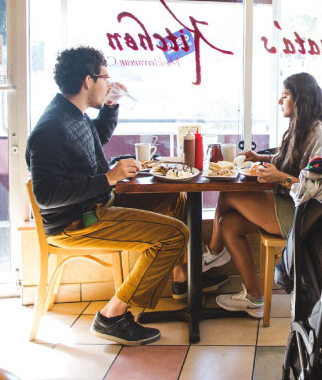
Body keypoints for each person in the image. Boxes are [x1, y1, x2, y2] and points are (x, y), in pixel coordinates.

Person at [26, 46, 226, 346]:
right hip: (78, 221)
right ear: (87, 81)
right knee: (174, 235)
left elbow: (95, 138)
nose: (109, 82)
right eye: (105, 78)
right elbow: (46, 194)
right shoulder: (51, 128)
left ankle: (183, 278)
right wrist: (109, 177)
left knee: (175, 198)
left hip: (96, 204)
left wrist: (109, 107)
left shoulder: (74, 114)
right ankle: (112, 316)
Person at [208, 72, 322, 318]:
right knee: (228, 224)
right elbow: (293, 162)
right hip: (293, 205)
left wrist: (280, 178)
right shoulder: (302, 128)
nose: (281, 102)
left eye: (285, 96)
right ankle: (254, 298)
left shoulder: (320, 135)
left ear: (300, 100)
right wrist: (262, 159)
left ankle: (213, 253)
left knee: (228, 192)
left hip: (307, 218)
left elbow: (321, 188)